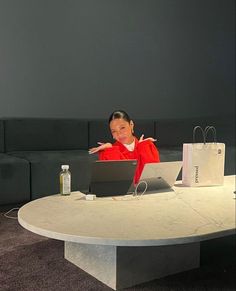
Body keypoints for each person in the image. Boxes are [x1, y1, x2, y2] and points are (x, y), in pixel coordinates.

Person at [89, 110, 160, 184]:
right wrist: (111, 150)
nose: (119, 134)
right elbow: (115, 182)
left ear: (131, 125)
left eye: (122, 128)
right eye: (114, 131)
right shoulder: (109, 153)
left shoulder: (146, 146)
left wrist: (143, 147)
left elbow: (153, 180)